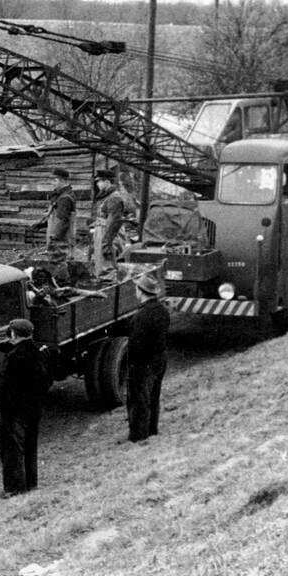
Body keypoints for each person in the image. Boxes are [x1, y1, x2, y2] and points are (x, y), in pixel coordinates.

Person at [0, 318, 46, 498]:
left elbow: (5, 387)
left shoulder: (14, 357)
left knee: (12, 450)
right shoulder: (37, 351)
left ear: (14, 334)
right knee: (30, 447)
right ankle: (31, 483)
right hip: (34, 409)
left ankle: (14, 488)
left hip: (14, 412)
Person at [127, 270, 170, 442]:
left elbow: (136, 345)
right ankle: (152, 430)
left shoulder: (141, 316)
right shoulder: (163, 311)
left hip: (143, 364)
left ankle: (138, 436)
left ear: (141, 292)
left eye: (137, 288)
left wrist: (132, 366)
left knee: (139, 400)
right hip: (160, 359)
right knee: (153, 396)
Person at [90, 169, 134, 273]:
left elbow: (114, 221)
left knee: (108, 261)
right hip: (104, 231)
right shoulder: (107, 196)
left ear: (107, 182)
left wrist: (107, 242)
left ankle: (109, 284)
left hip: (109, 233)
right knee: (101, 261)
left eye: (99, 181)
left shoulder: (114, 197)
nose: (97, 184)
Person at [32, 168, 76, 260]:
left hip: (61, 241)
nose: (52, 183)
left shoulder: (65, 198)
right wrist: (42, 224)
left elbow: (63, 221)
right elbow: (55, 217)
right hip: (56, 238)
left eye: (55, 180)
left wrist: (55, 239)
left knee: (59, 263)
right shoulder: (58, 195)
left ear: (63, 181)